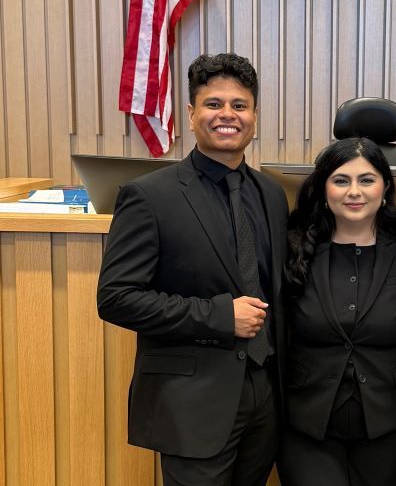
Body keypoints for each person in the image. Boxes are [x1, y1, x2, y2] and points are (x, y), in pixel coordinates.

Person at [97, 53, 288, 486]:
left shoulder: (273, 195)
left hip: (265, 396)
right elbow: (116, 298)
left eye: (239, 106)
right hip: (193, 402)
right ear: (191, 113)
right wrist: (221, 317)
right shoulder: (149, 196)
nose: (227, 115)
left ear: (254, 116)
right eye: (213, 103)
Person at [276, 137, 396, 486]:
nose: (354, 191)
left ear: (385, 187)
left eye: (366, 180)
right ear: (323, 188)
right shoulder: (293, 248)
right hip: (307, 424)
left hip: (388, 422)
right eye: (341, 180)